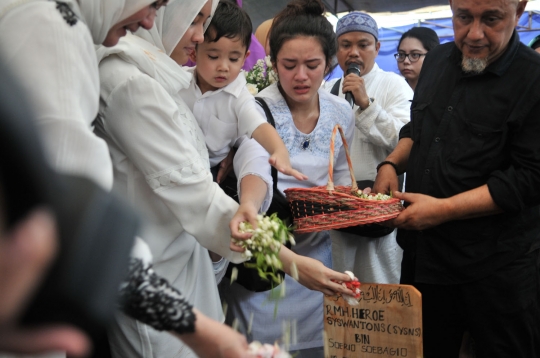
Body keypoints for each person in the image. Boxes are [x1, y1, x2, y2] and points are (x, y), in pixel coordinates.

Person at [373, 0, 540, 356]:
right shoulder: (436, 60)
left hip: (496, 269)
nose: (474, 34)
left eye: (491, 19)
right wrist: (390, 165)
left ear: (520, 9)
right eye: (463, 18)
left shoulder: (533, 80)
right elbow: (418, 128)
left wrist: (443, 210)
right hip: (425, 259)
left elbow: (529, 178)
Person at [219, 1, 356, 356]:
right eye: (289, 65)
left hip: (318, 262)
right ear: (272, 63)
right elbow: (256, 171)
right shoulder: (256, 110)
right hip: (267, 262)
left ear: (329, 63)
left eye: (312, 65)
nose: (301, 76)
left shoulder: (341, 110)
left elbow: (341, 183)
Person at [323, 11, 412, 284]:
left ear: (377, 48)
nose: (354, 52)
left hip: (378, 214)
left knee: (379, 290)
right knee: (337, 288)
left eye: (363, 44)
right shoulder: (326, 89)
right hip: (336, 214)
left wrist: (367, 105)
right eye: (345, 44)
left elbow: (405, 141)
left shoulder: (395, 85)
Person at [181, 0, 307, 182]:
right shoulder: (178, 80)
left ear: (244, 58)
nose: (223, 67)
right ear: (193, 53)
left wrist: (279, 150)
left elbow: (258, 125)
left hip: (211, 173)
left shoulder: (239, 96)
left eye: (233, 58)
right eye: (213, 56)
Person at [395, 27, 440, 91]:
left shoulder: (445, 92)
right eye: (401, 55)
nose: (406, 61)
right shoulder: (392, 91)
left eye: (414, 55)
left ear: (433, 56)